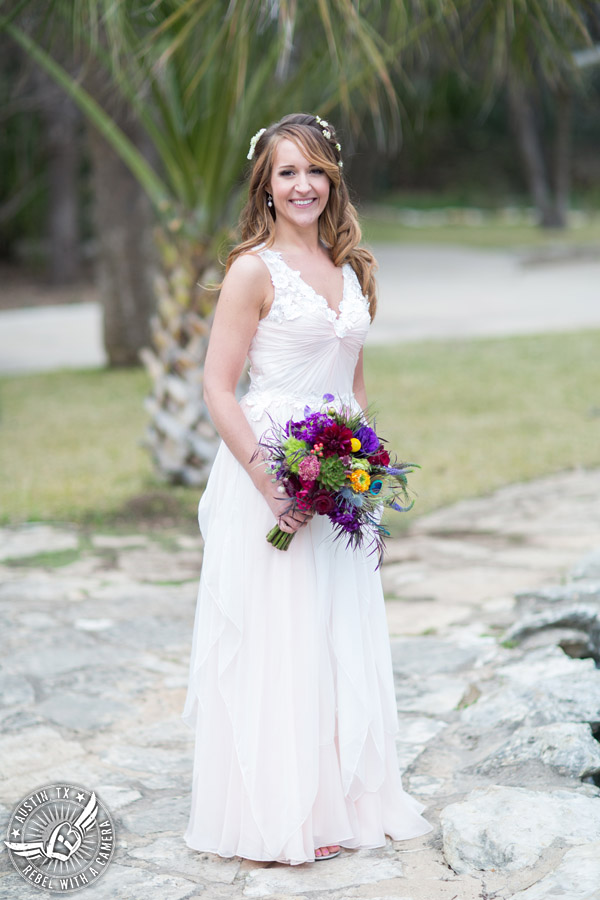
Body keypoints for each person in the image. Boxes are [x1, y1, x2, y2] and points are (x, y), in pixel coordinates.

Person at [181, 112, 433, 866]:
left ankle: (341, 801)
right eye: (287, 172)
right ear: (266, 184)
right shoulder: (253, 270)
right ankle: (277, 814)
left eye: (316, 170)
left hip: (339, 473)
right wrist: (270, 484)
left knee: (334, 632)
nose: (303, 185)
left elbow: (352, 385)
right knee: (279, 633)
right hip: (270, 465)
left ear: (334, 180)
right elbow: (218, 389)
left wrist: (367, 479)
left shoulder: (353, 267)